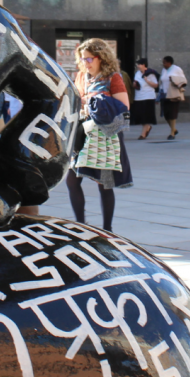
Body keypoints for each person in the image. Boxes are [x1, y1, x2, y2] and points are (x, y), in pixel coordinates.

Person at [67, 39, 132, 232]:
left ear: (101, 58)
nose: (85, 62)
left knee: (104, 184)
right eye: (83, 59)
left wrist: (95, 102)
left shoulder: (113, 78)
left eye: (89, 59)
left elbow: (124, 108)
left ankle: (107, 229)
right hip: (82, 133)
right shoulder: (80, 77)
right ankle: (80, 224)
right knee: (72, 179)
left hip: (104, 135)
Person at [159, 56, 187, 140]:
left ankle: (172, 133)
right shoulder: (164, 70)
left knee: (172, 113)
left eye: (165, 62)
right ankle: (174, 129)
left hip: (173, 94)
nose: (163, 64)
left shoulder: (176, 69)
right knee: (166, 114)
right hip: (164, 93)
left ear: (169, 63)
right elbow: (162, 81)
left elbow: (183, 80)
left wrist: (174, 80)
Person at [132, 57, 160, 140]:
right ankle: (147, 127)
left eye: (139, 64)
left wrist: (147, 81)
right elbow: (135, 83)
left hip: (148, 97)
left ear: (144, 65)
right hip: (138, 97)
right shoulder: (137, 73)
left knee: (146, 116)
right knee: (140, 116)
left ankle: (143, 134)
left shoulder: (150, 73)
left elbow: (156, 85)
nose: (138, 66)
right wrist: (134, 84)